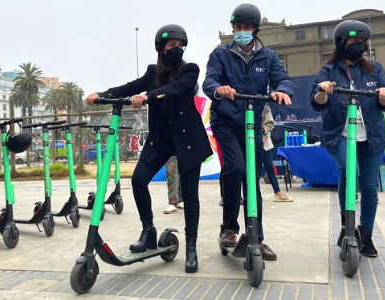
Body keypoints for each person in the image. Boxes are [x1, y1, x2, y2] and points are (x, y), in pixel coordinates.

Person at [86, 24, 212, 273]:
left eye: (179, 45)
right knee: (138, 180)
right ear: (161, 48)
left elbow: (176, 89)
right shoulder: (152, 73)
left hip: (188, 139)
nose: (176, 49)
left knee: (190, 195)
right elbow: (130, 87)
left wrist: (150, 96)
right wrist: (102, 94)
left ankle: (191, 247)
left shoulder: (190, 70)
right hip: (161, 139)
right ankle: (149, 232)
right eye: (171, 45)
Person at [203, 3, 294, 261]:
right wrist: (218, 89)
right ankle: (229, 229)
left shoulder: (268, 57)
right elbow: (209, 80)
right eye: (238, 27)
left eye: (247, 27)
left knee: (252, 180)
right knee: (235, 169)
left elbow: (282, 79)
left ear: (255, 29)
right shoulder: (220, 54)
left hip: (252, 124)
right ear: (233, 28)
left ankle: (257, 237)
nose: (241, 31)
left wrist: (282, 91)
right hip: (227, 123)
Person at [310, 20, 385, 257]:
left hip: (371, 136)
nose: (358, 46)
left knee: (369, 186)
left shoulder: (375, 69)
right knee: (349, 173)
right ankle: (347, 226)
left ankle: (366, 235)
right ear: (341, 44)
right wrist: (322, 90)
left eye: (362, 42)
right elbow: (316, 103)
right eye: (353, 42)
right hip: (340, 134)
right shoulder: (328, 71)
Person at [260, 104, 294, 202]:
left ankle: (278, 193)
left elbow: (269, 123)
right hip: (245, 141)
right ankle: (248, 195)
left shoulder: (264, 105)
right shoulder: (240, 102)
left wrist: (261, 130)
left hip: (263, 140)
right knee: (248, 169)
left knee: (270, 167)